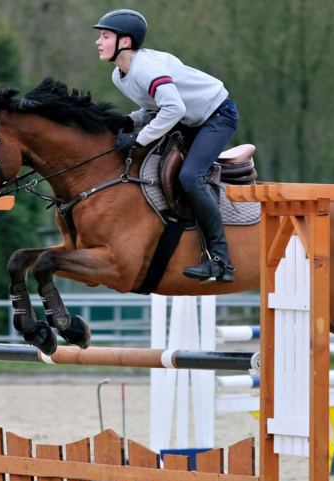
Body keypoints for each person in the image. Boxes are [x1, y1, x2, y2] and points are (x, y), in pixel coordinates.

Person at [93, 9, 239, 283]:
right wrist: (130, 120)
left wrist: (139, 138)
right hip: (189, 120)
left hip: (217, 116)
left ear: (125, 41)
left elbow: (173, 108)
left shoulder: (146, 68)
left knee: (189, 176)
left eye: (105, 36)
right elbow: (154, 108)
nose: (98, 42)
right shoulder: (119, 75)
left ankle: (221, 262)